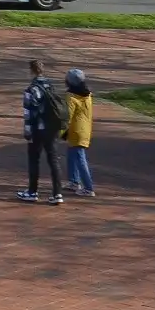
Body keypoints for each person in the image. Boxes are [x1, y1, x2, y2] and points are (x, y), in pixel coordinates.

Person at [19, 58, 64, 203]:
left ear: (31, 71)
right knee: (53, 159)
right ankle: (57, 194)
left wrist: (27, 132)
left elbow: (28, 113)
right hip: (52, 129)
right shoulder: (50, 85)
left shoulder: (31, 89)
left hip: (38, 129)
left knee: (34, 159)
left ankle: (33, 192)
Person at [63, 68, 96, 197]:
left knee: (79, 158)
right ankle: (74, 181)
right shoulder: (87, 95)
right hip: (84, 130)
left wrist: (60, 131)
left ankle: (88, 187)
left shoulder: (71, 97)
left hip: (76, 131)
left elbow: (67, 117)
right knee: (72, 156)